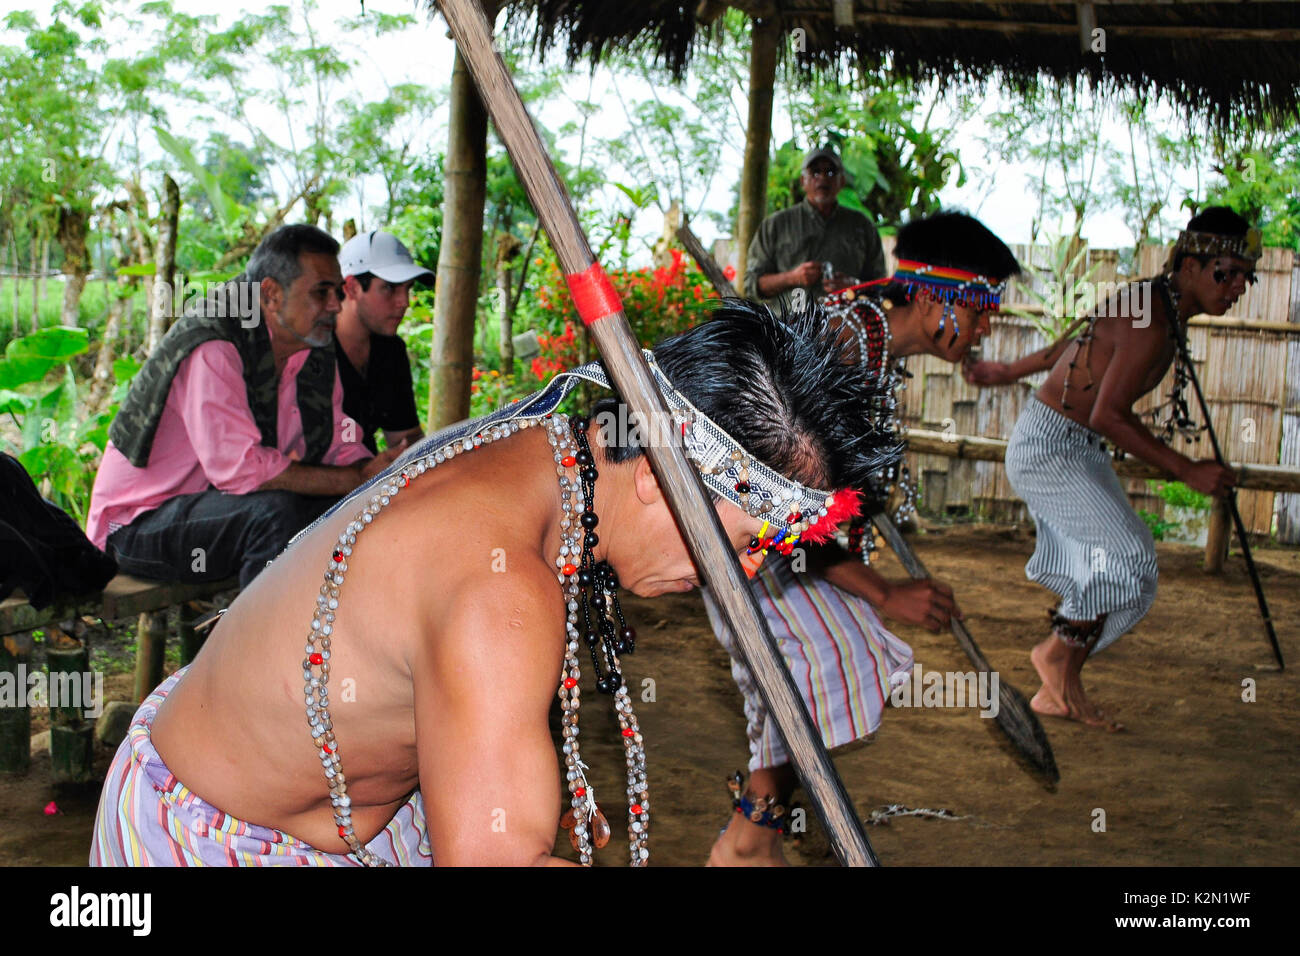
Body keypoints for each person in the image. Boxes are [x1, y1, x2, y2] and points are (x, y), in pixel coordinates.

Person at [89, 301, 900, 867]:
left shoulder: (545, 439)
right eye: (755, 539)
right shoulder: (500, 595)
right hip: (212, 836)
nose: (751, 570)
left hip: (319, 802)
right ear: (662, 476)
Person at [708, 211, 1021, 866]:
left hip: (775, 544)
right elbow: (777, 494)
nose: (988, 326)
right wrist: (882, 591)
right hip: (746, 539)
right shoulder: (847, 341)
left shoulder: (870, 344)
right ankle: (750, 842)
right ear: (939, 295)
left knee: (814, 678)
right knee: (826, 659)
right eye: (983, 306)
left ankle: (759, 836)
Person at [963, 206, 1254, 731]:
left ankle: (1060, 686)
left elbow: (1069, 347)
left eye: (1243, 277)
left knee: (1131, 571)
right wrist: (1187, 470)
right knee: (1124, 557)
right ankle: (1055, 659)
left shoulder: (1153, 305)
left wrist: (1006, 370)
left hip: (1076, 444)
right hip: (1051, 447)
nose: (1235, 286)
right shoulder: (1151, 315)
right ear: (1189, 265)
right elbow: (1109, 414)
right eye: (1224, 272)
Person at [86, 224, 402, 588]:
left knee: (354, 508)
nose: (336, 305)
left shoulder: (313, 348)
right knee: (275, 514)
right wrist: (350, 480)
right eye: (321, 292)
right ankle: (255, 642)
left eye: (337, 291)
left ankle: (323, 637)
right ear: (271, 294)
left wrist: (374, 471)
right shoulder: (215, 345)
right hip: (136, 525)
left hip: (216, 512)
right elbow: (238, 470)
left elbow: (336, 442)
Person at [744, 147, 887, 305]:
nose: (823, 178)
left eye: (831, 172)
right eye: (815, 172)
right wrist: (792, 277)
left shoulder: (862, 226)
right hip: (787, 326)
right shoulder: (775, 225)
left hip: (847, 326)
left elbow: (882, 286)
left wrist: (854, 286)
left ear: (842, 181)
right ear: (802, 181)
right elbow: (751, 285)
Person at [336, 230, 430, 455]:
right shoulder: (310, 350)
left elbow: (405, 441)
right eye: (389, 287)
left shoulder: (389, 351)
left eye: (408, 288)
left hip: (364, 480)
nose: (404, 302)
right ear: (352, 288)